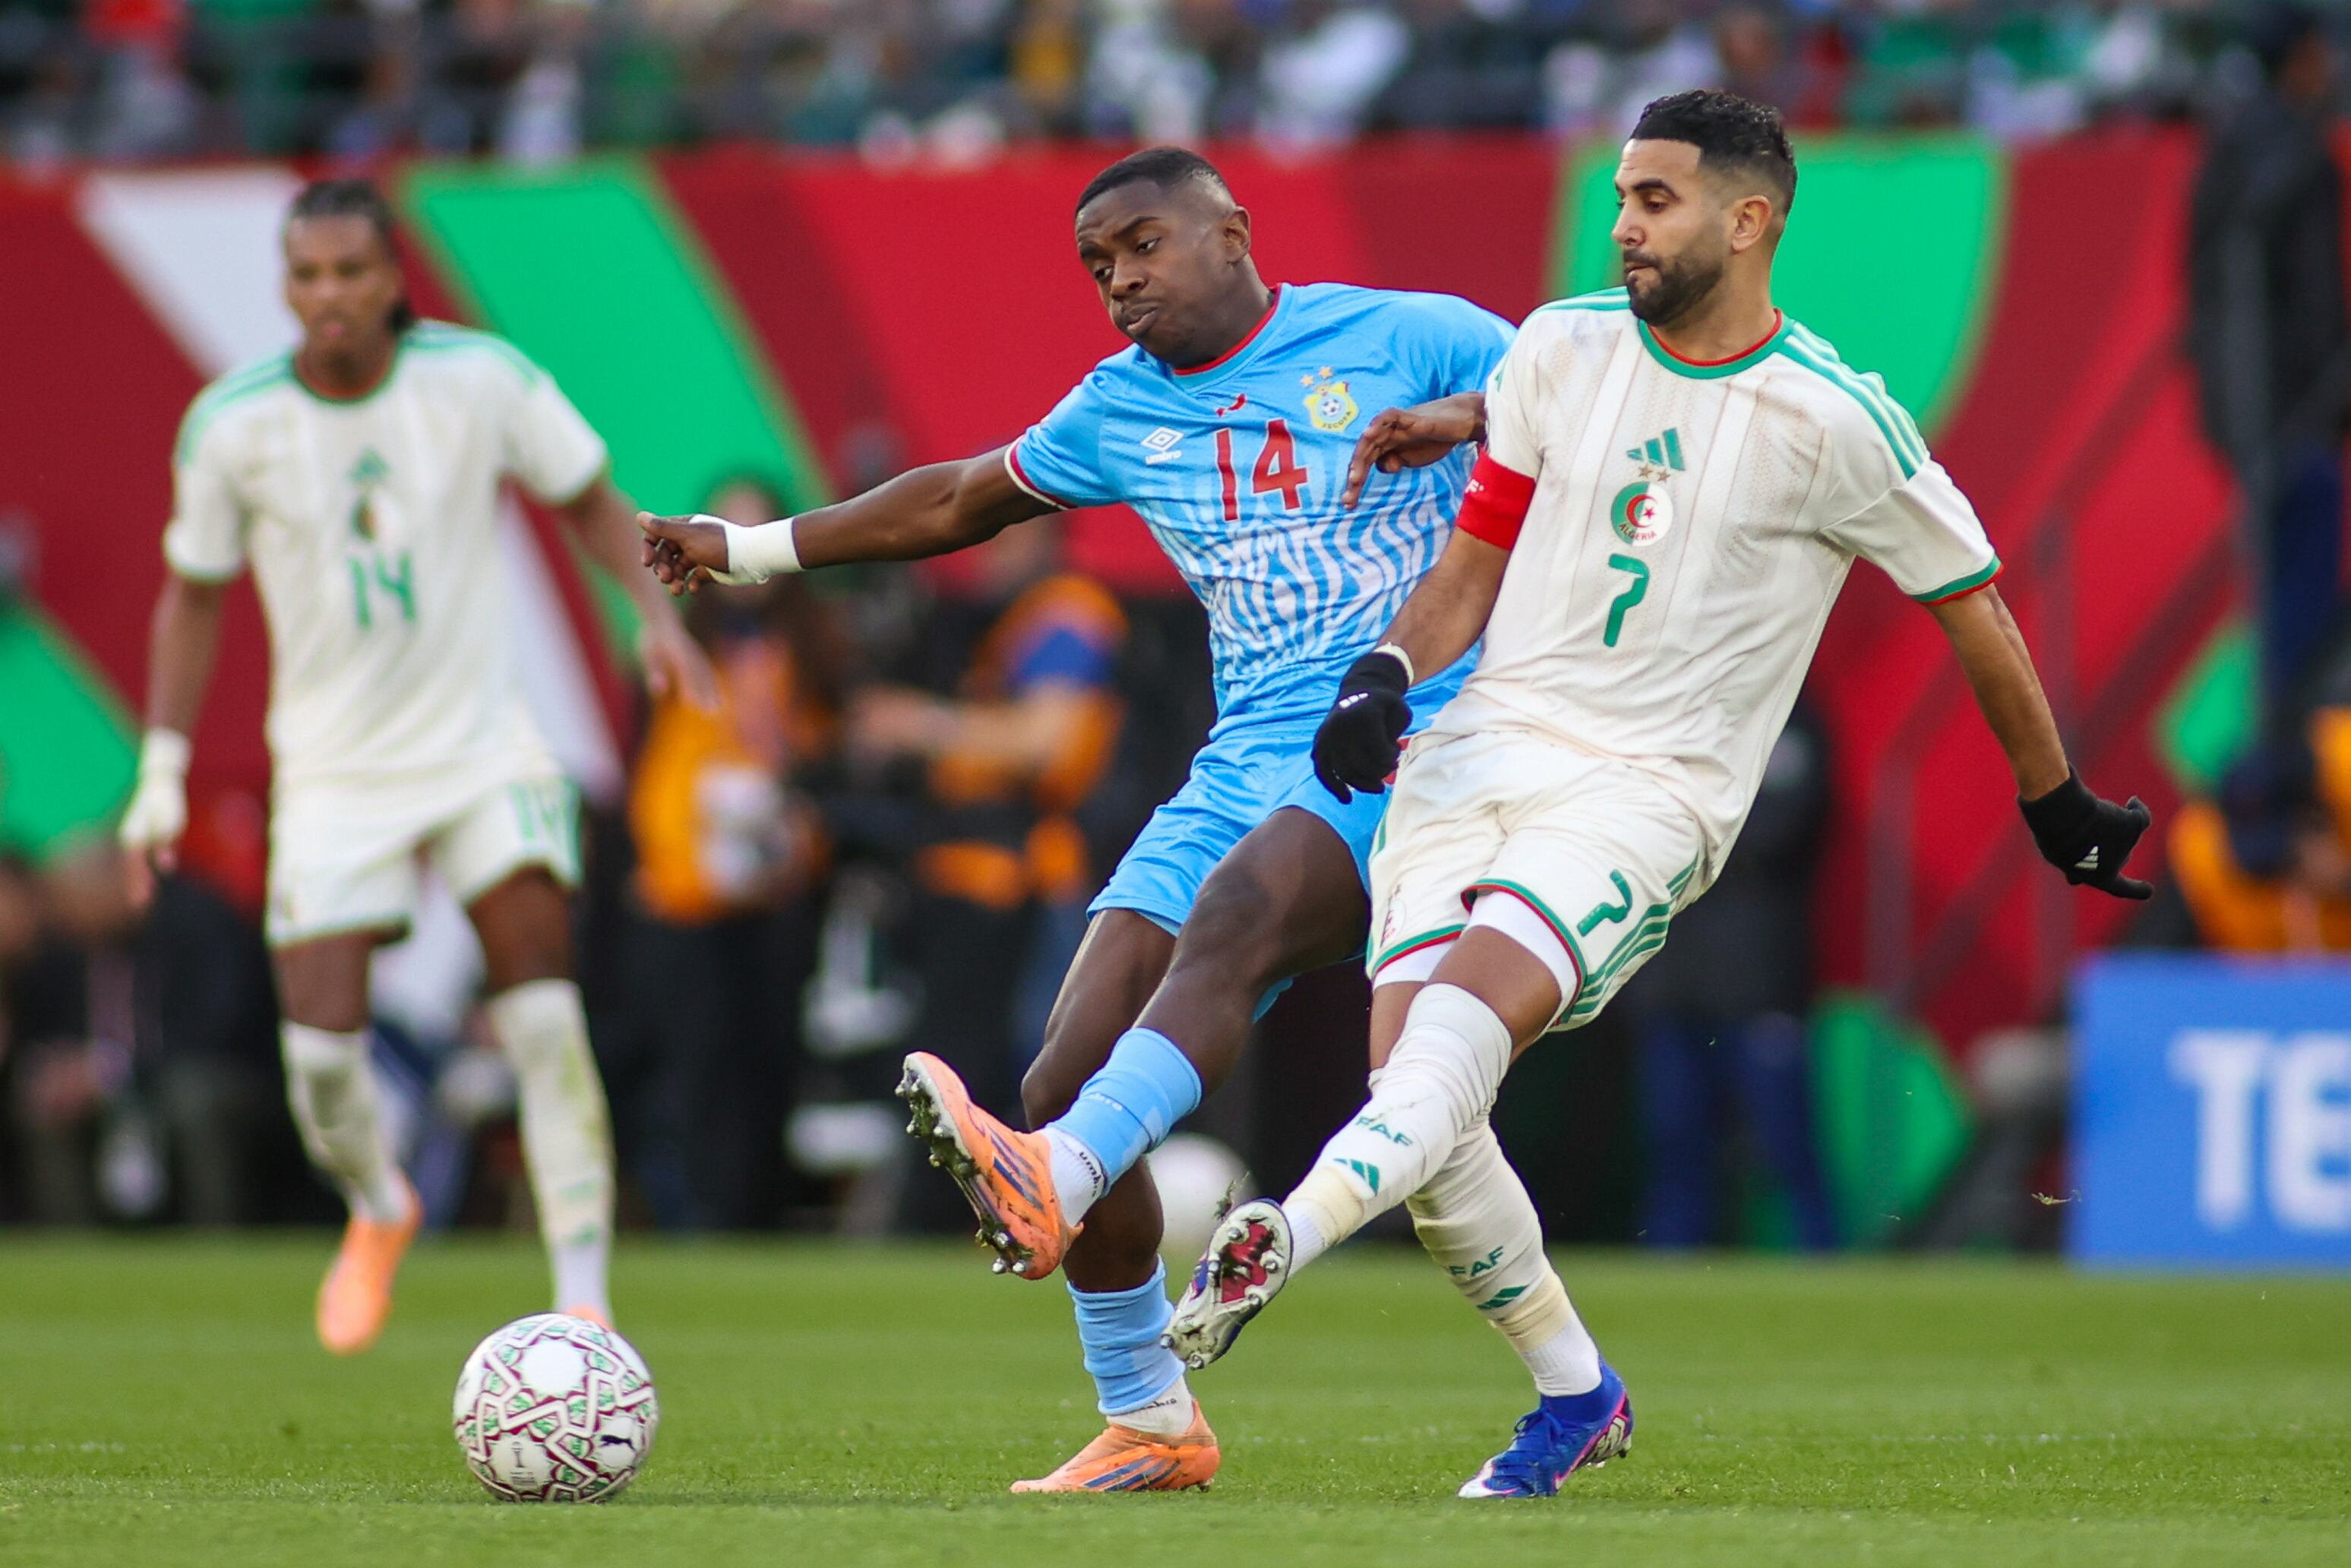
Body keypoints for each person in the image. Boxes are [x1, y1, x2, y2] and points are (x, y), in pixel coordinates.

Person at [1162, 90, 2154, 1498]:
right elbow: (1472, 561)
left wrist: (2054, 800)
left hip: (1645, 796)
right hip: (1477, 754)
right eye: (1621, 198)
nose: (1623, 226)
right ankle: (1576, 1391)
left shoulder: (1837, 417)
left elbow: (1975, 608)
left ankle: (1281, 1237)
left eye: (1656, 201)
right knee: (1422, 1108)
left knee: (1448, 1046)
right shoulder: (1560, 348)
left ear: (1751, 221)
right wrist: (1383, 674)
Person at [637, 145, 1516, 1491]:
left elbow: (1574, 411)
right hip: (1241, 759)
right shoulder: (1121, 409)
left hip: (1405, 733)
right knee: (1062, 1077)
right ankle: (1151, 1417)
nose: (1122, 282)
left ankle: (1052, 1179)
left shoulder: (1402, 333)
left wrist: (1462, 420)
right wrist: (750, 547)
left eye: (1145, 245)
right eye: (1100, 266)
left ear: (1233, 229)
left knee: (1229, 923)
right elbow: (954, 500)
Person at [118, 178, 715, 1354]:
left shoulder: (479, 380)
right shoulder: (232, 423)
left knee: (543, 1015)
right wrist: (161, 766)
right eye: (308, 275)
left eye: (351, 271)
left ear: (393, 277)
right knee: (324, 1064)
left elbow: (591, 501)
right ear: (285, 286)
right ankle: (380, 1205)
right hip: (334, 774)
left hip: (483, 747)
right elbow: (191, 597)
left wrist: (658, 619)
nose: (329, 295)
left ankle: (582, 1299)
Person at [2187, 2, 2349, 709]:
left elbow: (2200, 284)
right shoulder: (2298, 157)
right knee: (2301, 615)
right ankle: (2288, 771)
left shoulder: (2227, 150)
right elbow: (2314, 301)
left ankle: (2278, 764)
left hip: (2243, 415)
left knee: (2275, 595)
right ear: (2300, 57)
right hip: (2297, 417)